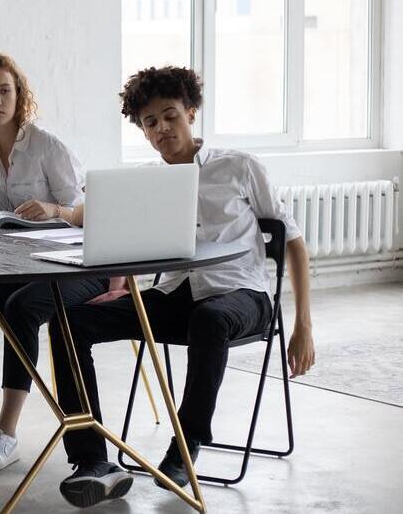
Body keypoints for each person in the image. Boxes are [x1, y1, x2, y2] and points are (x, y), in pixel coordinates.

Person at [52, 66, 317, 508]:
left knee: (210, 319)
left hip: (243, 296)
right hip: (177, 294)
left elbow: (294, 241)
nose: (162, 129)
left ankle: (185, 444)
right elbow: (109, 226)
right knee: (69, 322)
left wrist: (304, 325)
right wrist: (124, 285)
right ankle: (92, 459)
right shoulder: (146, 181)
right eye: (150, 122)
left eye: (170, 116)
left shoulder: (239, 167)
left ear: (191, 112)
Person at [0, 50, 106, 473]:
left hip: (70, 265)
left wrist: (54, 211)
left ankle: (6, 431)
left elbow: (87, 210)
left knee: (21, 309)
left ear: (19, 96)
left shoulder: (47, 146)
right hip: (17, 264)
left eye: (4, 91)